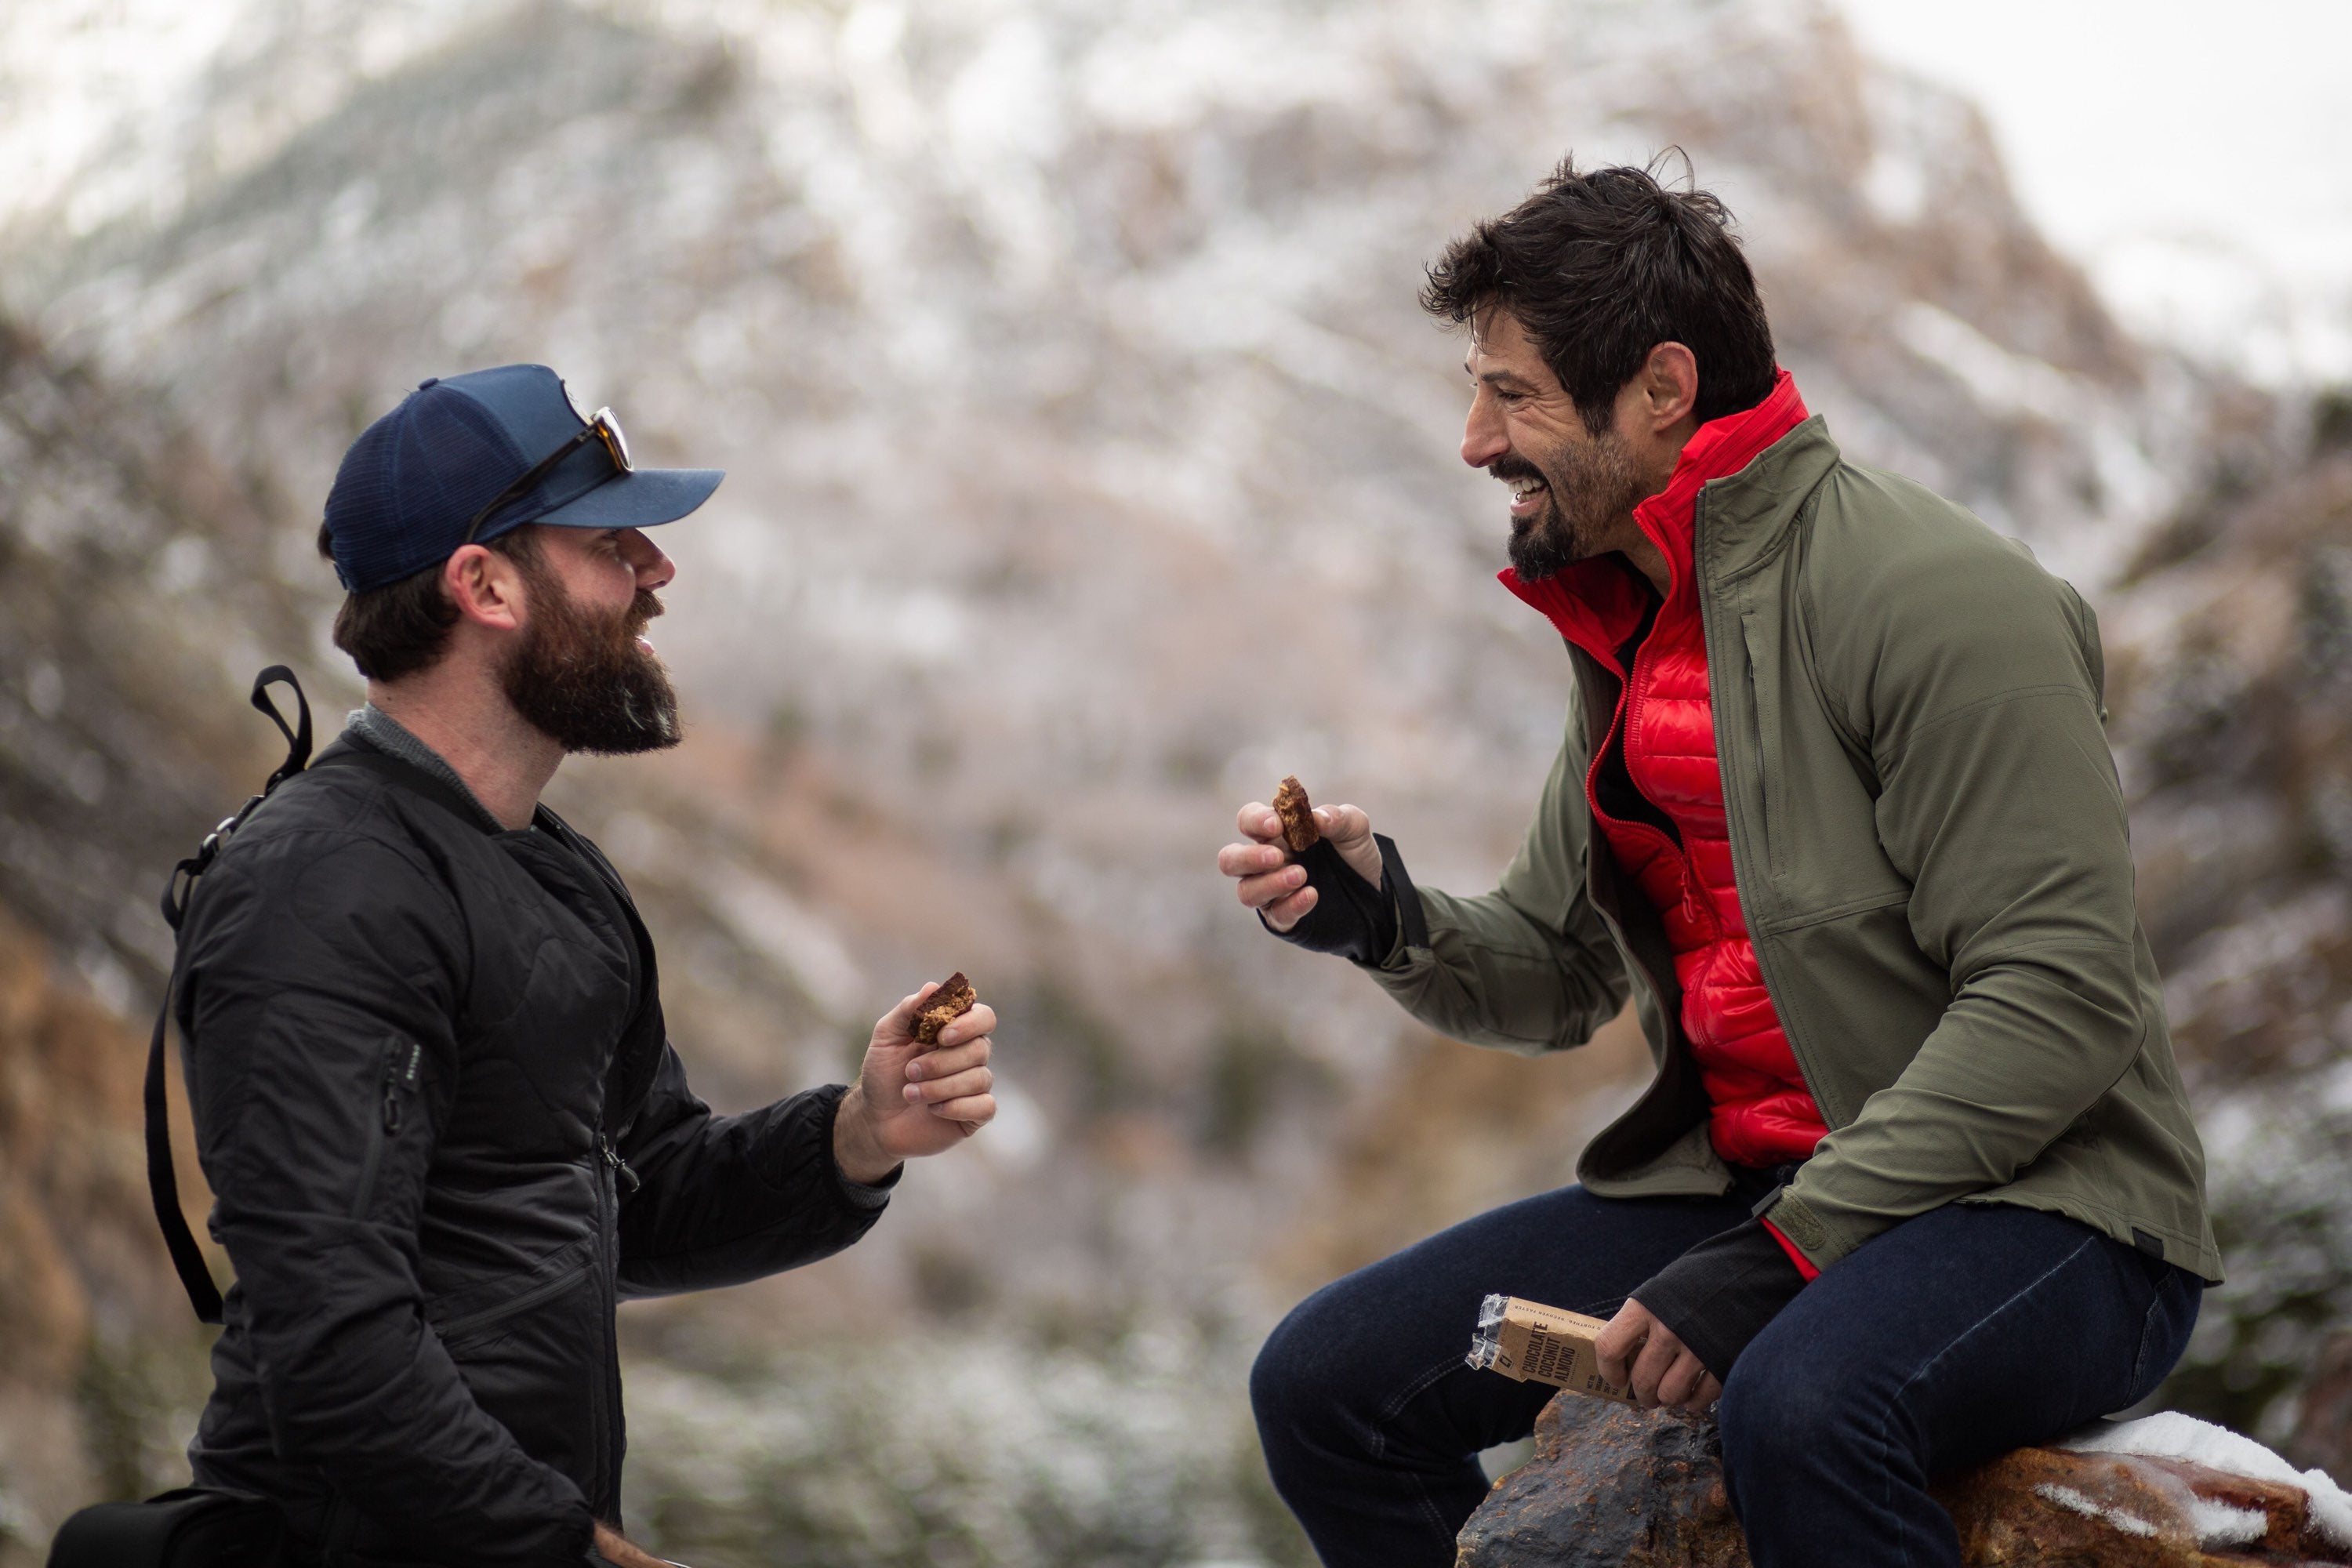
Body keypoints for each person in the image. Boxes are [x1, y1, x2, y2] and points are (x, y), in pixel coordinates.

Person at [1219, 161, 2217, 1568]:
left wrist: (1786, 1251)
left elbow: (2060, 1000)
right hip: (1759, 1193)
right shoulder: (1633, 619)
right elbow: (1556, 971)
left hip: (2056, 1212)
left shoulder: (1945, 601)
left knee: (1805, 1410)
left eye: (1512, 395)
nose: (1474, 439)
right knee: (1328, 1389)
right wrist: (1380, 916)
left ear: (1662, 389)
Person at [174, 365, 999, 1568]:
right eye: (612, 544)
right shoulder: (325, 888)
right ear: (484, 585)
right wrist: (572, 1551)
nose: (657, 573)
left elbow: (634, 1195)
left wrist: (858, 1135)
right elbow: (334, 1345)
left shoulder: (551, 873)